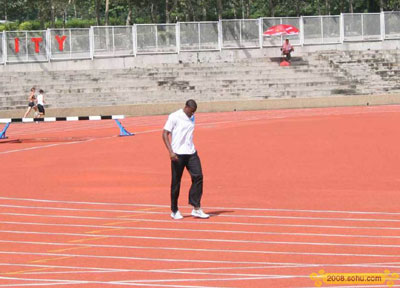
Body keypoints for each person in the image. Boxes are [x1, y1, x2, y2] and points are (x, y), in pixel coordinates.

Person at [162, 99, 209, 220]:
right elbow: (165, 134)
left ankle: (196, 207)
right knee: (176, 182)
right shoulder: (174, 116)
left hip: (191, 152)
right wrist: (171, 152)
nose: (192, 114)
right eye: (191, 112)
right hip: (177, 154)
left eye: (194, 113)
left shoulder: (192, 117)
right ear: (186, 107)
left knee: (198, 176)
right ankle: (174, 210)